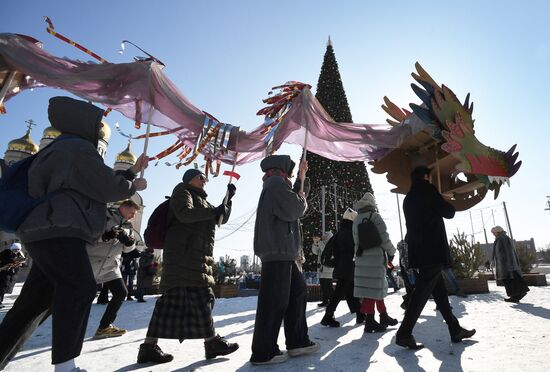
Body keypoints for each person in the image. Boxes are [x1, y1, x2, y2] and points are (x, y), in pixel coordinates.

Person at [0, 96, 147, 372]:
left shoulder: (61, 147)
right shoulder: (78, 148)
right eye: (97, 124)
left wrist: (130, 171)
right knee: (80, 288)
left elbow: (89, 179)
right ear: (84, 124)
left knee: (34, 303)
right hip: (59, 229)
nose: (99, 129)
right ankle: (66, 366)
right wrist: (131, 186)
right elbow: (104, 185)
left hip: (44, 230)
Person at [137, 169, 238, 364]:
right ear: (189, 179)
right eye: (201, 177)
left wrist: (228, 199)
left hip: (197, 258)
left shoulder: (203, 201)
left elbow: (219, 218)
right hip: (183, 258)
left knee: (183, 302)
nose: (205, 180)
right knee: (197, 298)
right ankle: (211, 343)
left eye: (205, 178)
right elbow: (184, 214)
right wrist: (213, 210)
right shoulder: (182, 192)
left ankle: (149, 347)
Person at [250, 155, 320, 365]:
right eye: (291, 169)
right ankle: (263, 351)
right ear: (282, 169)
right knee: (274, 302)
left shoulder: (277, 183)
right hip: (277, 250)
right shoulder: (276, 183)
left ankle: (297, 341)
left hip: (284, 251)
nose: (291, 173)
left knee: (297, 294)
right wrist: (301, 186)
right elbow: (295, 208)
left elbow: (293, 201)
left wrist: (302, 178)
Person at [395, 166, 475, 350]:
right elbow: (449, 212)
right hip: (432, 249)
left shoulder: (408, 199)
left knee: (439, 293)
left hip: (419, 250)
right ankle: (404, 333)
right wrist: (445, 199)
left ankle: (455, 329)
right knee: (421, 293)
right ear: (426, 176)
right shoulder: (428, 190)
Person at [87, 199, 140, 339]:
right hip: (92, 262)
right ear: (123, 207)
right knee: (82, 296)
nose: (133, 216)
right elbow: (88, 235)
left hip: (111, 265)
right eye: (132, 212)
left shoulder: (128, 227)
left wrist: (128, 243)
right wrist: (105, 236)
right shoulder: (105, 218)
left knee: (121, 292)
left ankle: (104, 326)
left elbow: (129, 250)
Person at [352, 193, 398, 333]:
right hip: (375, 258)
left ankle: (383, 316)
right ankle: (370, 321)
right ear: (372, 203)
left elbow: (355, 241)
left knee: (373, 289)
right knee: (374, 290)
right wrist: (391, 251)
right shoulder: (375, 216)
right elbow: (384, 237)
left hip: (361, 257)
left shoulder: (356, 219)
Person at [321, 208, 363, 327]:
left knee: (350, 291)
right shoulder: (350, 233)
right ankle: (328, 316)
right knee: (340, 292)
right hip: (348, 267)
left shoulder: (340, 233)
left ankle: (360, 314)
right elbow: (353, 251)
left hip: (342, 267)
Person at [491, 225, 529, 303]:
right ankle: (514, 296)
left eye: (493, 232)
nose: (493, 234)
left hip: (507, 264)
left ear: (498, 232)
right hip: (504, 264)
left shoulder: (503, 239)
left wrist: (508, 264)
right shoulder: (500, 239)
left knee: (511, 280)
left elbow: (508, 252)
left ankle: (518, 295)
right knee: (508, 280)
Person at [311, 231, 334, 307]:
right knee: (323, 286)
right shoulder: (322, 244)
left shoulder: (331, 244)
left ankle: (332, 301)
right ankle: (325, 301)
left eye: (324, 236)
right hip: (321, 269)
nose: (322, 237)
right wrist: (315, 243)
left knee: (328, 287)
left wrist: (319, 242)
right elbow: (315, 252)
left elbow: (326, 251)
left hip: (328, 268)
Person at [0, 243, 26, 309]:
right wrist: (17, 261)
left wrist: (20, 264)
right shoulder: (6, 253)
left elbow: (24, 263)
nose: (16, 251)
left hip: (11, 274)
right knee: (2, 288)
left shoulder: (19, 254)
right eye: (15, 249)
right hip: (4, 273)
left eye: (17, 249)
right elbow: (8, 260)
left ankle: (0, 302)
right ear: (12, 248)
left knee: (5, 288)